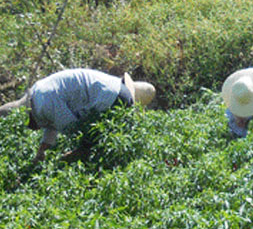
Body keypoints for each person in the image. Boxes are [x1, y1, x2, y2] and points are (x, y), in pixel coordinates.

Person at [0, 68, 156, 162]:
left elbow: (73, 128)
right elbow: (52, 122)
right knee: (95, 143)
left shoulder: (42, 101)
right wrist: (43, 149)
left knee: (96, 147)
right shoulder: (39, 95)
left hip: (114, 99)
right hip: (114, 94)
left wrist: (75, 153)